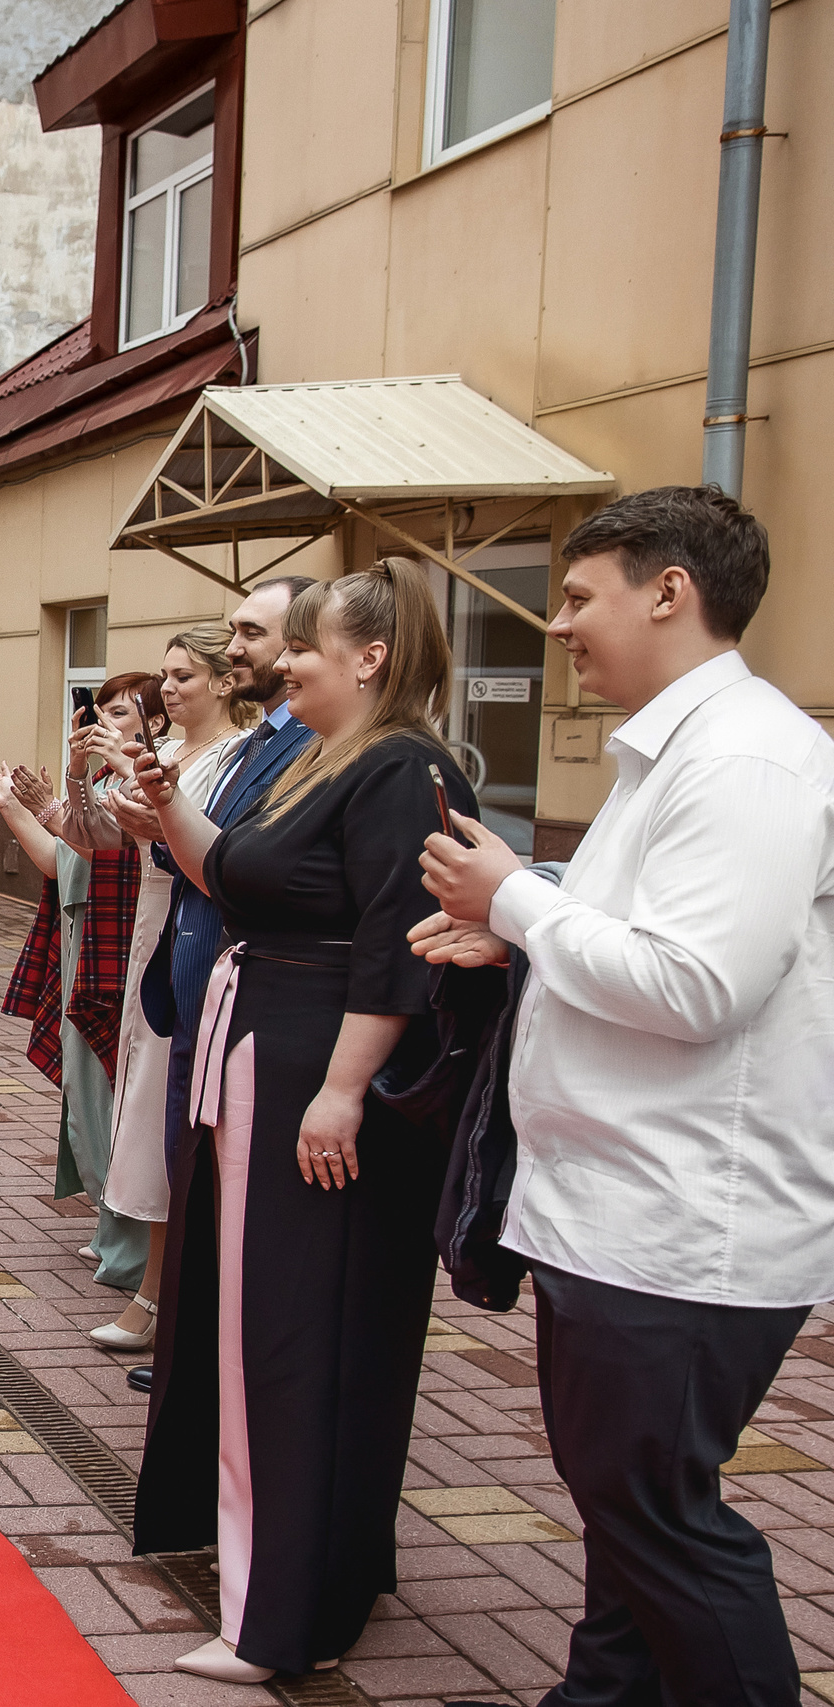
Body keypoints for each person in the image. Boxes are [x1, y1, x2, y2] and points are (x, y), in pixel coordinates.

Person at [413, 487, 834, 1707]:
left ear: (670, 592)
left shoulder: (745, 757)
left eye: (578, 595)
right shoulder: (686, 748)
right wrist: (519, 932)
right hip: (627, 1217)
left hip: (680, 1230)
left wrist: (517, 904)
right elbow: (648, 942)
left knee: (659, 1529)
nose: (556, 626)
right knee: (629, 1534)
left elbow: (696, 985)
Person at [131, 559, 475, 1683]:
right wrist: (161, 792)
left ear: (368, 659)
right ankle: (294, 1567)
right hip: (264, 1056)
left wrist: (340, 1088)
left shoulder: (399, 767)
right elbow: (227, 873)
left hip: (312, 1077)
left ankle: (280, 1613)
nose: (280, 665)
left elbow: (396, 940)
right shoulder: (324, 758)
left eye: (304, 650)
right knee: (269, 1327)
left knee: (292, 1340)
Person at [118, 579, 318, 1393]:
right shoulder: (266, 740)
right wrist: (160, 819)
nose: (233, 648)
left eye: (254, 634)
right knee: (189, 1171)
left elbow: (247, 869)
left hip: (247, 995)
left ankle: (202, 1358)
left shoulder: (300, 746)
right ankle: (190, 1349)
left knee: (221, 1185)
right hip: (195, 983)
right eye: (231, 633)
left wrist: (163, 820)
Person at [73, 629, 254, 1351]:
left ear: (222, 683)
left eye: (184, 676)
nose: (169, 688)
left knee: (174, 1114)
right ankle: (156, 1284)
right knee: (147, 1109)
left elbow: (209, 855)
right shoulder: (170, 753)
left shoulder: (235, 757)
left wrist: (155, 815)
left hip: (196, 937)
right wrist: (80, 772)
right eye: (168, 676)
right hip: (154, 934)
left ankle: (159, 1294)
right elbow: (91, 838)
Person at [0, 673, 166, 1300]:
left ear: (153, 724)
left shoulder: (146, 788)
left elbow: (96, 851)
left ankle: (131, 1249)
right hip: (83, 936)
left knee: (112, 1096)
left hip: (117, 949)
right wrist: (19, 806)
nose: (100, 721)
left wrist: (55, 797)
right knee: (90, 1098)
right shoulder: (107, 784)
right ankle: (116, 1229)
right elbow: (62, 861)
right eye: (98, 710)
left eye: (116, 712)